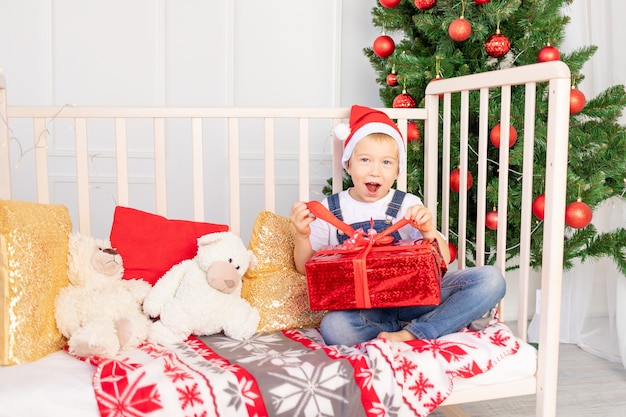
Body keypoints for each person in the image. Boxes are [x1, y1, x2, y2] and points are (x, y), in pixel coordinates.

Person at [290, 104, 506, 346]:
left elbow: (444, 261)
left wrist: (427, 230)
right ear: (348, 165)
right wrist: (302, 235)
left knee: (491, 279)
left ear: (397, 171)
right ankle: (431, 324)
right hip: (368, 309)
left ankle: (413, 333)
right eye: (365, 160)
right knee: (334, 327)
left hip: (418, 298)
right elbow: (303, 267)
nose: (375, 170)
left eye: (386, 163)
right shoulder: (331, 209)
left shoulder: (407, 204)